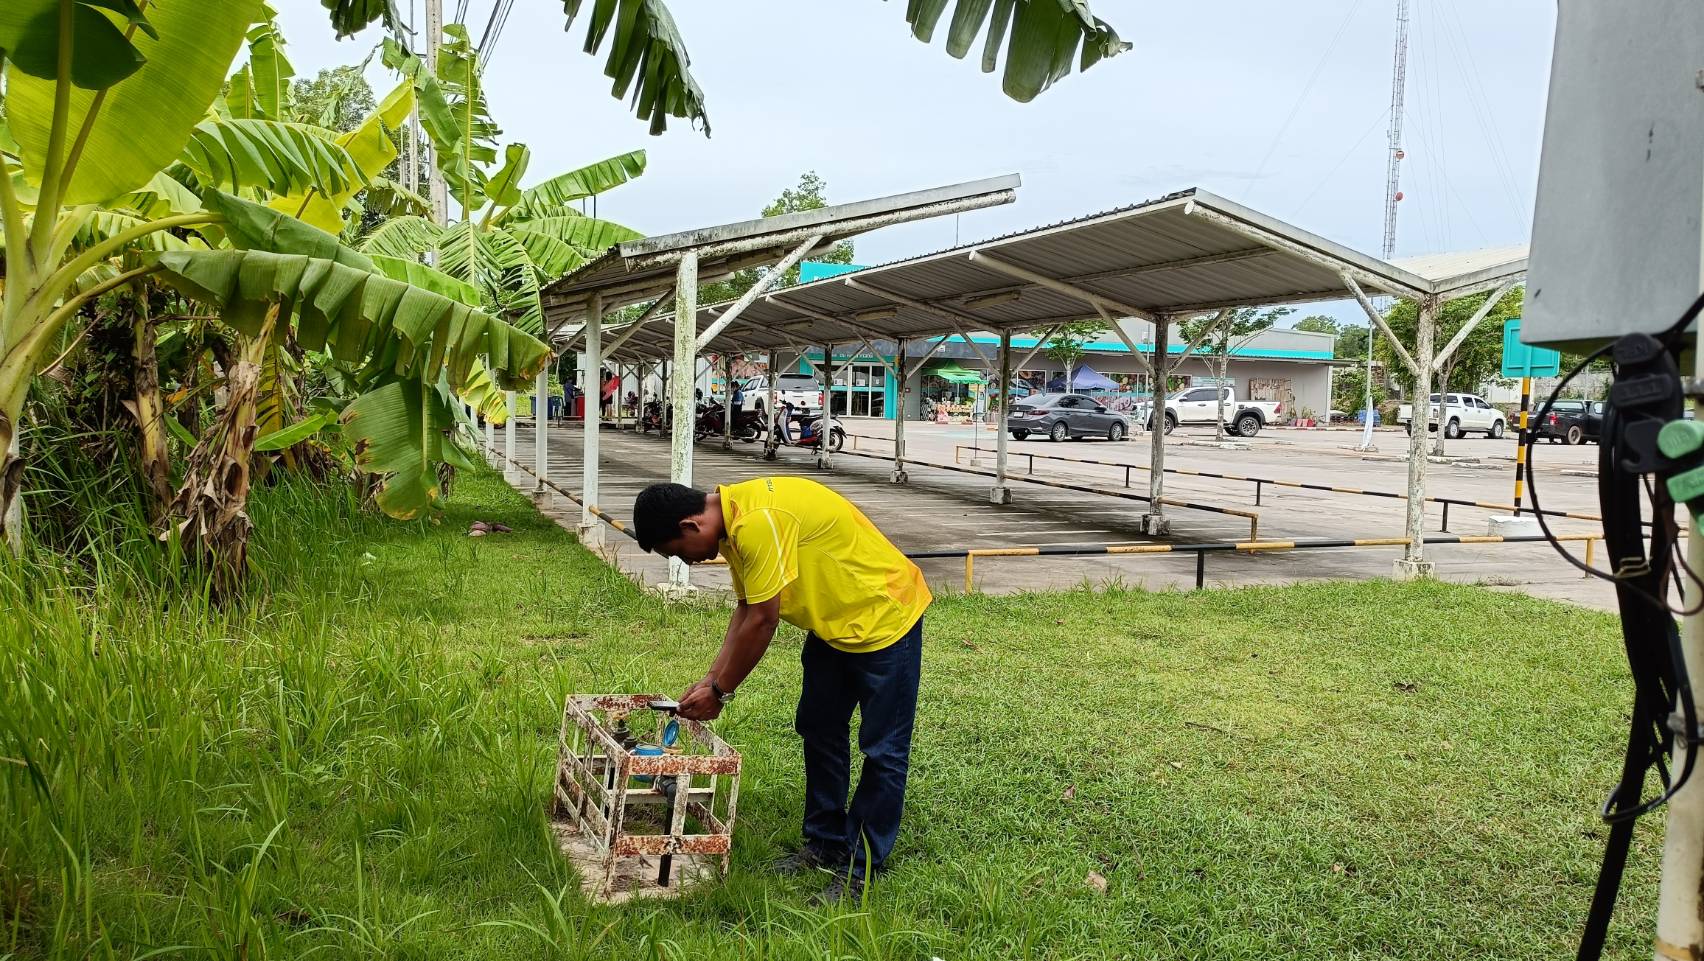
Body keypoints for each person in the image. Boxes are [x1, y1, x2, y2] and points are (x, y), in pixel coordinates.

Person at [633, 478, 931, 903]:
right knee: (819, 727)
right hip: (834, 626)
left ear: (691, 525)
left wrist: (720, 691)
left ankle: (861, 869)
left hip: (886, 616)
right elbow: (747, 608)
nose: (687, 561)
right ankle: (825, 841)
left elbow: (764, 621)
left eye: (678, 552)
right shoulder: (734, 521)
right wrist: (710, 677)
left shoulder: (757, 521)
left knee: (883, 750)